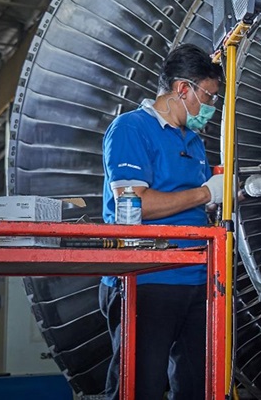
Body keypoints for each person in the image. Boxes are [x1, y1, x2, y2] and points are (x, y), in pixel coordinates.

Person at [100, 43, 225, 399]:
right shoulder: (131, 128)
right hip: (147, 277)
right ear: (182, 89)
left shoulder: (194, 141)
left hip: (197, 278)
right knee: (140, 386)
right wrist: (205, 193)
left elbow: (195, 204)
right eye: (208, 96)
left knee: (194, 386)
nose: (210, 108)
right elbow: (135, 204)